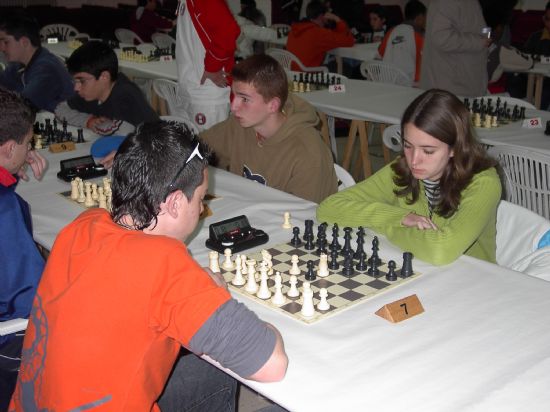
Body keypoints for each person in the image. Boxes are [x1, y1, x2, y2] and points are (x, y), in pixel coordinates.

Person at [9, 121, 288, 410]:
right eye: (201, 200)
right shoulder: (165, 265)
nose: (201, 210)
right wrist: (218, 299)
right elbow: (272, 365)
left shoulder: (83, 226)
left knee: (208, 372)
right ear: (176, 202)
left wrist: (193, 293)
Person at [317, 89, 501, 266]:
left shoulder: (484, 183)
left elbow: (440, 250)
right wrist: (401, 217)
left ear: (455, 148)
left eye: (428, 151)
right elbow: (327, 209)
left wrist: (389, 226)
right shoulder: (400, 169)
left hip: (472, 279)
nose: (414, 160)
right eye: (408, 145)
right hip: (417, 267)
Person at [201, 54, 337, 204]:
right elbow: (196, 147)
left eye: (244, 99)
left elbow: (305, 216)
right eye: (234, 96)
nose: (233, 107)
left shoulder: (308, 152)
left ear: (272, 105)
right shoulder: (239, 125)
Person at [0, 87, 47, 410]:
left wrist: (11, 168)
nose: (32, 148)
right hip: (9, 343)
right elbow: (31, 300)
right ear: (8, 147)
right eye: (28, 143)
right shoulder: (6, 210)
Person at [55, 41, 159, 167]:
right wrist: (88, 120)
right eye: (75, 81)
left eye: (81, 81)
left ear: (104, 77)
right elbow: (60, 109)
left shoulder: (126, 97)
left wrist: (104, 127)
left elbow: (149, 141)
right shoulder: (94, 92)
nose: (76, 88)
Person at [175, 0, 240, 131]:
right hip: (190, 89)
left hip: (207, 96)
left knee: (210, 150)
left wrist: (212, 67)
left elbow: (228, 33)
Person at [0, 12, 74, 112]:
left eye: (5, 42)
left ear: (24, 42)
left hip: (61, 124)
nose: (1, 48)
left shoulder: (47, 70)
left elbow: (22, 108)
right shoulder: (19, 64)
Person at [420, 0, 491, 97]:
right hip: (452, 86)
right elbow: (442, 38)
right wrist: (479, 42)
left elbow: (474, 26)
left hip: (459, 82)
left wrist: (485, 34)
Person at [286, 0, 354, 70]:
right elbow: (349, 41)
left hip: (292, 74)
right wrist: (337, 19)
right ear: (322, 16)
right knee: (346, 68)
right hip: (309, 76)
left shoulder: (295, 29)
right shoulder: (319, 33)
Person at [377, 0, 426, 85]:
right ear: (420, 18)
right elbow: (423, 64)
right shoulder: (418, 37)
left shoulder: (391, 31)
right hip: (410, 85)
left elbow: (380, 52)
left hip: (386, 83)